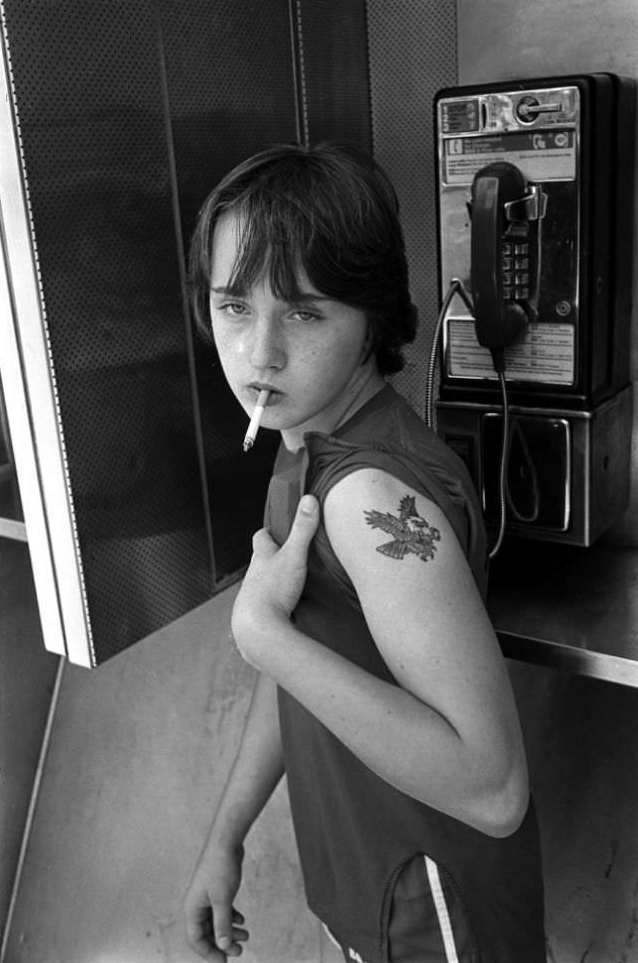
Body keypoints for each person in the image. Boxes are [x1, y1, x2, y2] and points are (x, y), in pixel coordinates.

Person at [184, 142, 546, 963]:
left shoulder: (366, 498)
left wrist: (263, 636)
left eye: (306, 312)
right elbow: (304, 666)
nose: (259, 352)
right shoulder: (301, 439)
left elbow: (493, 789)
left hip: (433, 916)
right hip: (365, 888)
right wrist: (227, 832)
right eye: (233, 305)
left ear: (373, 315)